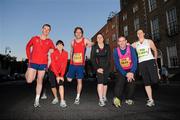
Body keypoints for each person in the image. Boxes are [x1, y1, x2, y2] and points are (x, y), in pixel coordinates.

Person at [25, 24, 55, 107]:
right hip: (33, 62)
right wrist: (29, 58)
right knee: (29, 80)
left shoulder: (50, 41)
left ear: (49, 31)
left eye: (48, 29)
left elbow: (53, 50)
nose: (46, 30)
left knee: (40, 80)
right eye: (45, 28)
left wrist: (51, 51)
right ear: (42, 29)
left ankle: (37, 100)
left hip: (43, 64)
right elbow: (28, 46)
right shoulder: (34, 38)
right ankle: (27, 70)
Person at [132, 29, 159, 107]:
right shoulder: (135, 44)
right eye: (138, 33)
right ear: (137, 35)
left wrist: (155, 60)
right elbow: (127, 45)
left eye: (141, 32)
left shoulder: (149, 41)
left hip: (150, 61)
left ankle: (157, 73)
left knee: (155, 81)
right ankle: (151, 100)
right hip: (141, 63)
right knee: (146, 82)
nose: (139, 34)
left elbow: (155, 50)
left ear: (143, 33)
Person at [66, 27, 93, 104]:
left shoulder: (85, 40)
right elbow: (71, 51)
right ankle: (71, 74)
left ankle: (77, 97)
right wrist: (71, 60)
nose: (78, 33)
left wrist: (90, 44)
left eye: (80, 32)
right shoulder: (72, 42)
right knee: (69, 80)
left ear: (82, 33)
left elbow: (92, 43)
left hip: (80, 65)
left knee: (79, 81)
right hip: (72, 64)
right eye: (77, 32)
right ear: (75, 33)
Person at [113, 36, 137, 108]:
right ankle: (117, 98)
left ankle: (129, 98)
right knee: (119, 83)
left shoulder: (131, 48)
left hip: (131, 69)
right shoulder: (115, 51)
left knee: (131, 83)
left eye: (123, 40)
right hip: (121, 70)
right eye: (120, 41)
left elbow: (135, 60)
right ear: (118, 43)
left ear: (126, 41)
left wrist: (132, 72)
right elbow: (117, 64)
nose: (122, 42)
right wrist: (125, 74)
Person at [91, 33, 111, 107]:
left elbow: (109, 58)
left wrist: (104, 68)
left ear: (103, 38)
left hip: (106, 67)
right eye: (98, 37)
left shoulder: (107, 46)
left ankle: (104, 96)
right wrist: (97, 68)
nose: (99, 38)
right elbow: (92, 59)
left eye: (101, 37)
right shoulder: (94, 47)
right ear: (97, 39)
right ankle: (100, 100)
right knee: (100, 82)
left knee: (105, 83)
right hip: (98, 68)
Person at [48, 40, 68, 108]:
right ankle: (56, 98)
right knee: (53, 85)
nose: (60, 46)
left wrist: (61, 75)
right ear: (56, 46)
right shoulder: (53, 52)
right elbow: (53, 64)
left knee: (61, 83)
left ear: (63, 46)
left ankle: (62, 100)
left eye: (61, 45)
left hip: (60, 71)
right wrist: (57, 76)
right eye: (58, 45)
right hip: (52, 70)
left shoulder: (65, 53)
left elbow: (64, 65)